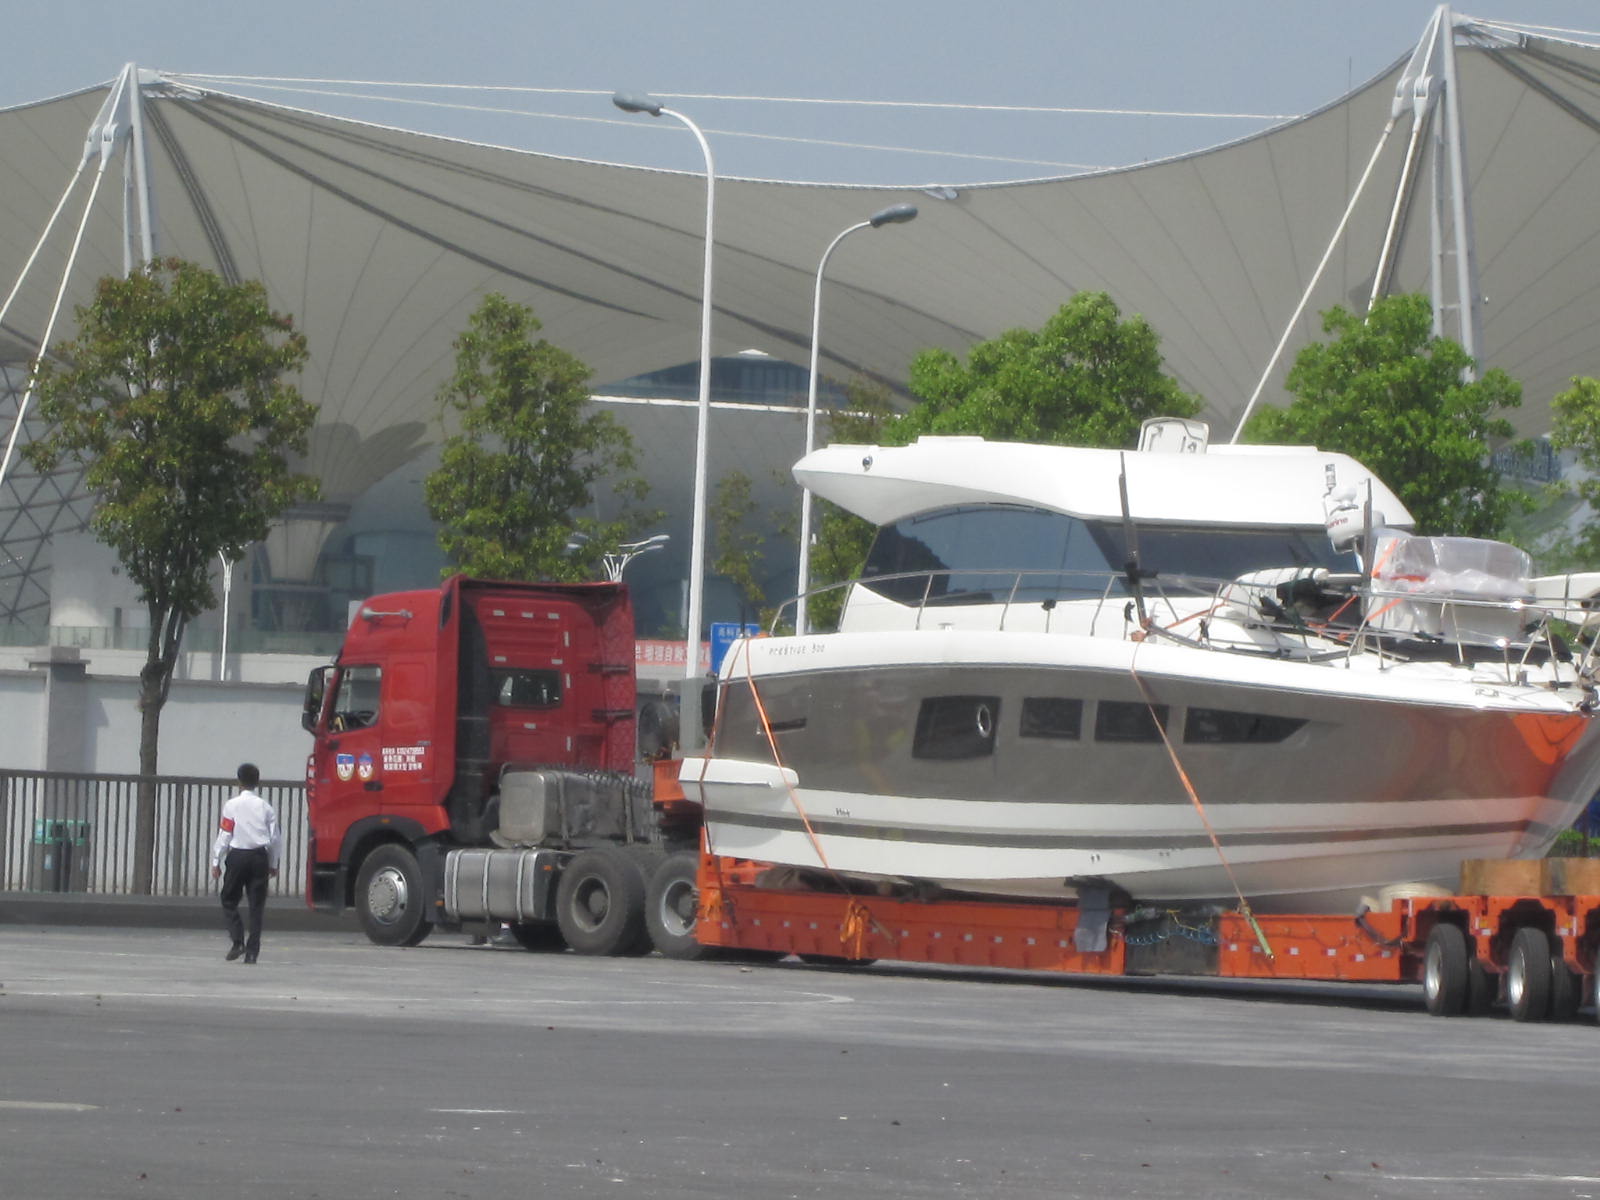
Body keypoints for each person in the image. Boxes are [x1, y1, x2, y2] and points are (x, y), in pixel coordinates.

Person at [210, 763, 281, 964]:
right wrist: (273, 862)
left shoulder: (231, 805)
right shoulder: (266, 807)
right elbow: (275, 838)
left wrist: (217, 859)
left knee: (229, 899)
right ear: (257, 782)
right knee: (256, 906)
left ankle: (237, 940)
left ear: (239, 781)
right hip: (259, 857)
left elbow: (225, 834)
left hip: (238, 856)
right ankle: (252, 952)